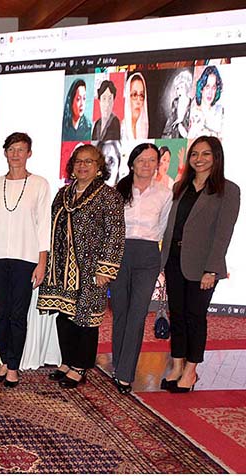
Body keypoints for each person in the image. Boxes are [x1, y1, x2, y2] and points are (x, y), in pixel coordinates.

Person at [37, 144, 125, 388]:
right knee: (65, 316)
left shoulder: (109, 196)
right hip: (63, 267)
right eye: (78, 161)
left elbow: (115, 234)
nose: (83, 165)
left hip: (91, 269)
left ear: (99, 168)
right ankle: (67, 361)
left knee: (86, 319)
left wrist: (105, 269)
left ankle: (80, 366)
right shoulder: (62, 194)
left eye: (89, 161)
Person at [160, 136, 239, 393]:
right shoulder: (180, 188)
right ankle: (177, 364)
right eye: (194, 154)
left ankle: (192, 370)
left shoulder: (228, 190)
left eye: (205, 154)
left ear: (216, 157)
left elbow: (223, 234)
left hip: (203, 267)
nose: (199, 159)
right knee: (178, 315)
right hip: (174, 260)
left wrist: (212, 269)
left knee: (195, 317)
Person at [0, 133, 50, 387]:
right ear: (5, 152)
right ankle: (5, 360)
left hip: (26, 258)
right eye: (11, 149)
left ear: (29, 153)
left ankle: (14, 366)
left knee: (18, 315)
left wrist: (42, 262)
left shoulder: (40, 184)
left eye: (21, 149)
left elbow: (44, 226)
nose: (16, 154)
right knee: (1, 313)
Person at [108, 143, 172, 394]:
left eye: (151, 160)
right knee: (120, 312)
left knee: (137, 313)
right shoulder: (118, 191)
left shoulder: (164, 194)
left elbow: (164, 228)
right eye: (141, 159)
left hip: (147, 256)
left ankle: (125, 373)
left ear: (157, 164)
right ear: (132, 162)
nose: (146, 164)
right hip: (120, 253)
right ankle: (118, 364)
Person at [188, 66, 224, 138]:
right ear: (201, 88)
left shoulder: (220, 112)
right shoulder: (191, 111)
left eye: (213, 87)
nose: (210, 92)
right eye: (207, 86)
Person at [161, 70, 192, 139]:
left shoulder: (191, 102)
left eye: (181, 87)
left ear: (186, 87)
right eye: (177, 88)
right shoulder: (175, 102)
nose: (179, 90)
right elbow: (171, 118)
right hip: (174, 132)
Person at [122, 72, 149, 140]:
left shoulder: (145, 130)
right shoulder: (119, 130)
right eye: (134, 95)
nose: (138, 101)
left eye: (141, 95)